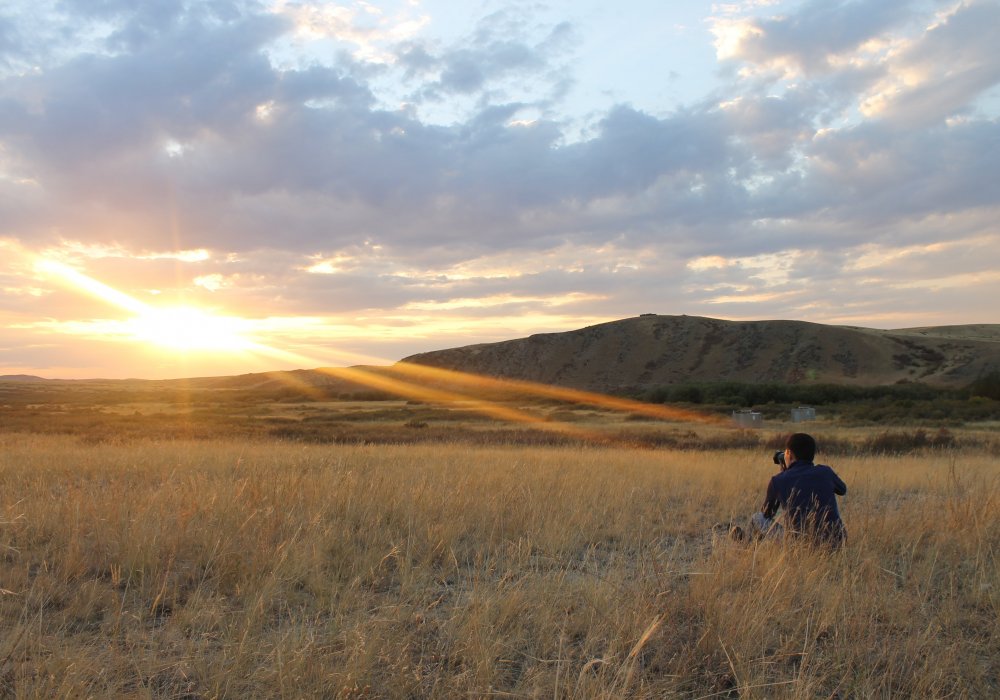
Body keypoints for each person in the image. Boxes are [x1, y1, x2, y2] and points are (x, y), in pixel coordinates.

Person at [735, 433, 848, 547]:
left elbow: (768, 513)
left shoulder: (778, 480)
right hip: (837, 541)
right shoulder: (825, 472)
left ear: (788, 453)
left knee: (757, 518)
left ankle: (746, 546)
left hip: (801, 545)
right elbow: (842, 490)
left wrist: (783, 473)